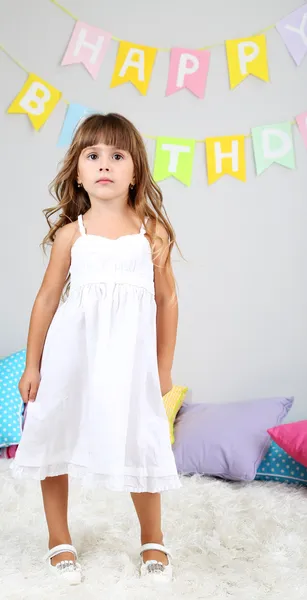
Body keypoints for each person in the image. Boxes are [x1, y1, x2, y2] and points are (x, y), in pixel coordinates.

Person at [11, 113, 181, 585]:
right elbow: (46, 300)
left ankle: (153, 538)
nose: (104, 164)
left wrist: (163, 366)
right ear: (79, 172)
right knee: (55, 432)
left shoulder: (152, 232)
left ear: (135, 170)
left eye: (117, 155)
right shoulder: (72, 235)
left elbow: (167, 299)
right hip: (72, 356)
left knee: (142, 439)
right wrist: (32, 364)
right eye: (93, 155)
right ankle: (58, 538)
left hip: (128, 362)